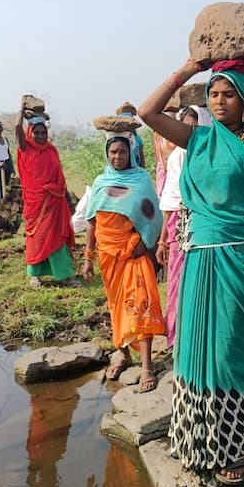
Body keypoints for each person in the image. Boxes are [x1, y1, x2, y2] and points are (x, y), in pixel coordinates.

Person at [139, 32, 244, 486]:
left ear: (243, 101)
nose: (220, 101)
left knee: (230, 351)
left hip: (239, 262)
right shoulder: (196, 140)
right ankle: (198, 441)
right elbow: (148, 113)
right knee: (194, 351)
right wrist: (188, 68)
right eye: (214, 95)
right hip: (200, 261)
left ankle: (238, 444)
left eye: (228, 95)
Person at [81, 132, 164, 392]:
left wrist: (145, 240)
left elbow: (154, 214)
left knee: (141, 303)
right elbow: (92, 221)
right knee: (116, 305)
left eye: (123, 152)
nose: (118, 156)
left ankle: (147, 366)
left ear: (131, 154)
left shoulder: (140, 180)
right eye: (113, 152)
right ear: (107, 154)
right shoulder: (100, 181)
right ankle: (123, 352)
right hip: (108, 255)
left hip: (133, 252)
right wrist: (88, 257)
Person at [155, 106, 205, 350]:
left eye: (195, 126)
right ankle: (177, 337)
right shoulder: (176, 157)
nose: (191, 131)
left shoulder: (208, 153)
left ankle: (199, 338)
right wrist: (163, 239)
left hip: (205, 225)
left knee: (201, 282)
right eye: (186, 126)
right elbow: (170, 198)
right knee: (178, 280)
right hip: (179, 223)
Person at [15, 107, 76, 288]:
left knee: (59, 237)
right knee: (38, 238)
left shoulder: (51, 150)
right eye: (37, 133)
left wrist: (67, 197)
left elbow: (60, 176)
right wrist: (21, 109)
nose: (41, 136)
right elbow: (17, 128)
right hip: (36, 203)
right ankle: (36, 276)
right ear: (30, 133)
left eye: (44, 132)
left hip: (56, 201)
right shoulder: (25, 149)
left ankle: (66, 275)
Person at [116, 102, 145, 167]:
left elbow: (141, 158)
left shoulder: (137, 138)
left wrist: (143, 171)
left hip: (136, 168)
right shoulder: (117, 138)